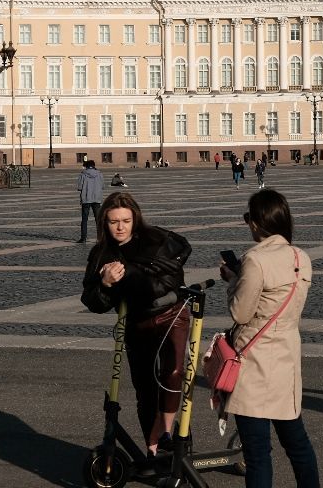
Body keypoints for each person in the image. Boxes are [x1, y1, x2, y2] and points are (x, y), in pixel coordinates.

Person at [218, 190, 321, 488]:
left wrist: (232, 281)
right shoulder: (301, 257)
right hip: (286, 359)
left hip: (254, 364)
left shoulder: (255, 259)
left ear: (257, 223)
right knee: (297, 444)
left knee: (258, 453)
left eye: (249, 218)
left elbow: (241, 312)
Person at [80, 192, 193, 461]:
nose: (120, 227)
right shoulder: (101, 254)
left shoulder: (155, 239)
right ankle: (153, 447)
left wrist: (134, 277)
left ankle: (167, 434)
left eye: (126, 220)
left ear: (135, 219)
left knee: (174, 371)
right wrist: (106, 284)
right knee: (144, 389)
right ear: (104, 224)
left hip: (170, 315)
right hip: (136, 322)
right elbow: (92, 300)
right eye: (113, 222)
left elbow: (172, 276)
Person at [76, 160, 104, 243]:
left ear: (86, 166)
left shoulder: (83, 174)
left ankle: (83, 238)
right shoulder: (99, 174)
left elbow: (80, 187)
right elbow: (103, 186)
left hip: (86, 198)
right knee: (98, 219)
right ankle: (100, 238)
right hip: (97, 199)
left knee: (84, 219)